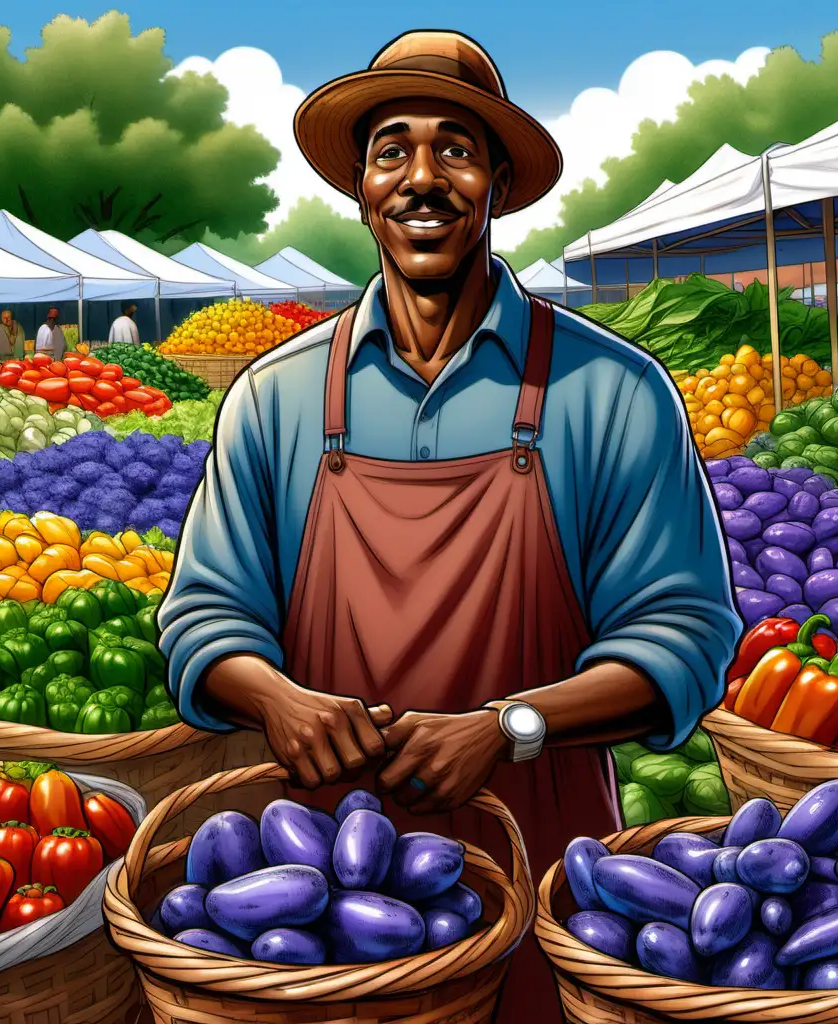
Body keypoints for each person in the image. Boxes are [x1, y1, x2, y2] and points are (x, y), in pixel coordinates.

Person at [158, 30, 739, 1021]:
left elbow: (683, 639)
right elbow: (203, 618)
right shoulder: (276, 398)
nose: (422, 178)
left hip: (542, 869)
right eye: (392, 149)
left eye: (456, 150)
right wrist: (276, 696)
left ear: (500, 184)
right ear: (361, 185)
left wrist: (510, 726)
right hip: (312, 906)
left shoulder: (610, 391)